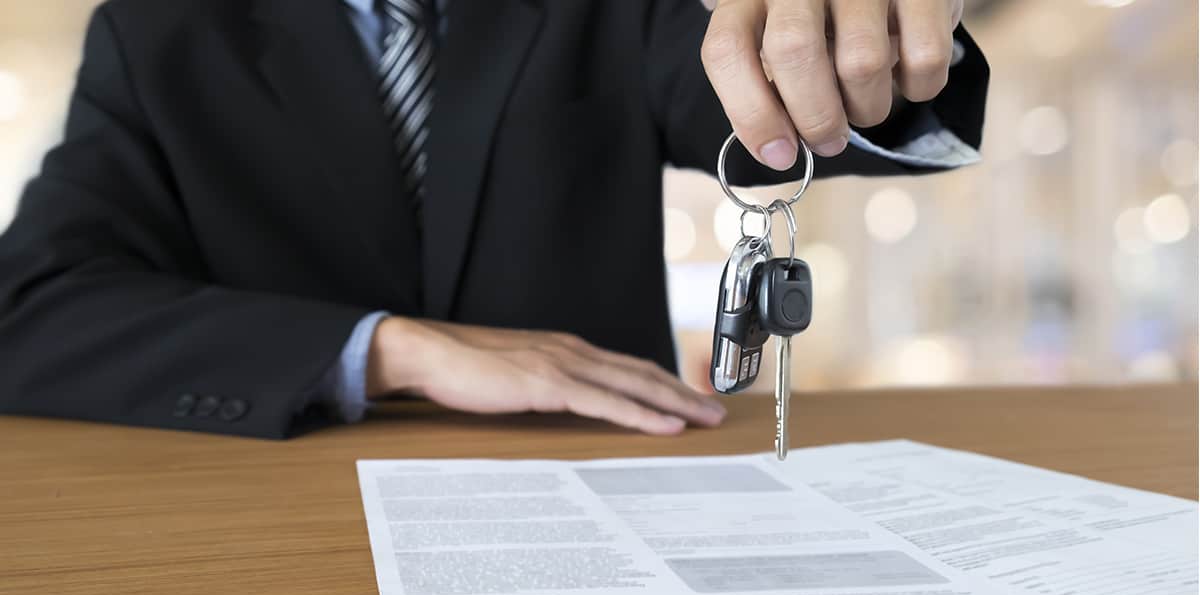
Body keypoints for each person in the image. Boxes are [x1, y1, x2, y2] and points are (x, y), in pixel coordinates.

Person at [0, 0, 987, 439]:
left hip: (609, 478)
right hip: (274, 515)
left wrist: (866, 40)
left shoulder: (613, 8)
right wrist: (391, 349)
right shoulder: (155, 29)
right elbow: (27, 311)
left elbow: (782, 79)